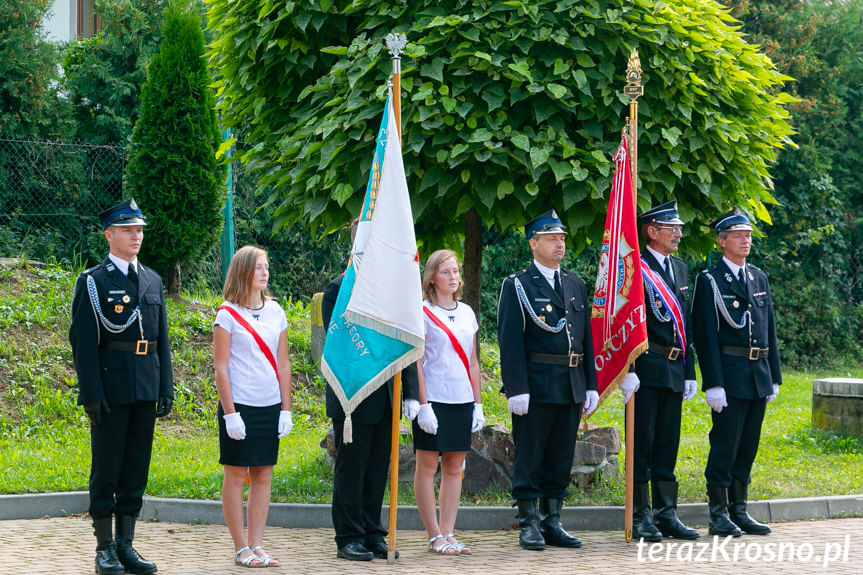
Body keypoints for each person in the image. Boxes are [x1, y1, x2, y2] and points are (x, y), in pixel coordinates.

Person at [69, 198, 173, 575]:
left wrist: (166, 387)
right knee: (107, 469)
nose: (136, 236)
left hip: (145, 385)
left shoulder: (151, 280)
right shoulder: (94, 282)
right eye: (128, 230)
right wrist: (91, 393)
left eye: (140, 230)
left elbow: (161, 338)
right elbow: (83, 342)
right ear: (109, 234)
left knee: (135, 469)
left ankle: (127, 545)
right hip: (111, 389)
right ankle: (104, 549)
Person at [497, 209, 599, 551]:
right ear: (534, 243)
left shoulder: (574, 284)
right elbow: (509, 341)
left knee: (560, 455)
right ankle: (528, 522)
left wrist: (591, 383)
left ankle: (552, 520)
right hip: (537, 384)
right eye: (552, 238)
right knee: (531, 455)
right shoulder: (519, 285)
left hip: (570, 382)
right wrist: (516, 388)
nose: (560, 244)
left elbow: (585, 340)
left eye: (562, 238)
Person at [321, 219, 419, 561]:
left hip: (387, 396)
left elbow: (405, 344)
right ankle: (349, 535)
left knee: (378, 466)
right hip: (355, 394)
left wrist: (412, 393)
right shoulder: (339, 289)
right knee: (353, 467)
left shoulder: (392, 293)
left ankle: (373, 531)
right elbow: (342, 348)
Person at [692, 208, 781, 537]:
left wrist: (774, 374)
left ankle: (739, 509)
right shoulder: (710, 280)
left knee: (748, 445)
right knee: (725, 444)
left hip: (757, 373)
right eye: (738, 236)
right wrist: (713, 383)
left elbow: (769, 328)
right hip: (729, 375)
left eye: (748, 236)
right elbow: (706, 336)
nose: (746, 241)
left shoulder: (758, 277)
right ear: (721, 241)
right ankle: (718, 514)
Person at [620, 201, 699, 542]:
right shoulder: (634, 268)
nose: (679, 234)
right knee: (643, 443)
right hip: (647, 366)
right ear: (651, 232)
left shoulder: (679, 268)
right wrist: (628, 367)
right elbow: (623, 318)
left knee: (668, 442)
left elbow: (687, 325)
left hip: (674, 366)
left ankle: (667, 513)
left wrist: (690, 371)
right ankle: (640, 515)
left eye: (679, 228)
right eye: (672, 228)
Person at [213, 245, 293, 567]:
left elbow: (284, 364)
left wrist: (286, 408)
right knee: (236, 475)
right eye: (259, 267)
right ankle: (240, 546)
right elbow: (221, 367)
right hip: (240, 406)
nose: (265, 272)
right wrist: (230, 413)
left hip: (269, 404)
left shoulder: (276, 312)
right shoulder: (227, 314)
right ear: (244, 271)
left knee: (263, 475)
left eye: (266, 266)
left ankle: (257, 544)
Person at [411, 249, 483, 555]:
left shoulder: (466, 312)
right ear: (432, 277)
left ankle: (450, 531)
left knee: (454, 465)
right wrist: (422, 403)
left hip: (461, 397)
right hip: (434, 398)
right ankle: (433, 534)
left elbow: (473, 361)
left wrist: (478, 403)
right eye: (445, 272)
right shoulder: (422, 312)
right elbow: (417, 361)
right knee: (427, 464)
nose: (452, 278)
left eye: (455, 272)